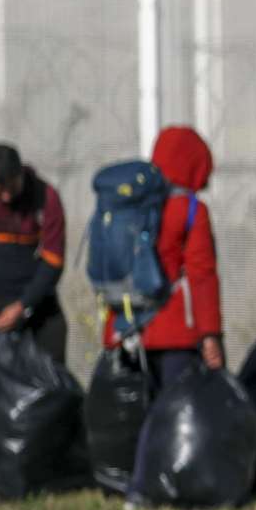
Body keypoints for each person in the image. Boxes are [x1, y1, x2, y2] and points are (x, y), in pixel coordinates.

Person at [101, 126, 225, 387]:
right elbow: (201, 275)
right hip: (177, 335)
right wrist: (210, 334)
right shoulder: (191, 210)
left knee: (136, 418)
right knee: (175, 417)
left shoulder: (125, 206)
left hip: (126, 330)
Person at [0, 143, 68, 410]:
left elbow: (53, 261)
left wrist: (24, 305)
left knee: (52, 391)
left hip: (37, 303)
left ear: (22, 174)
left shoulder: (45, 197)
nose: (7, 196)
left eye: (12, 187)